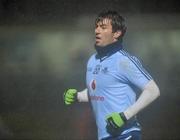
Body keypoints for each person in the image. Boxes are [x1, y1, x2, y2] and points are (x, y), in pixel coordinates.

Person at [63, 10, 160, 140]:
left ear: (116, 33)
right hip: (104, 137)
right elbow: (99, 91)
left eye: (103, 27)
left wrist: (125, 116)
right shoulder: (93, 60)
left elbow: (153, 90)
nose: (97, 31)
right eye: (96, 27)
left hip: (126, 135)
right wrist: (78, 96)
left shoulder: (124, 61)